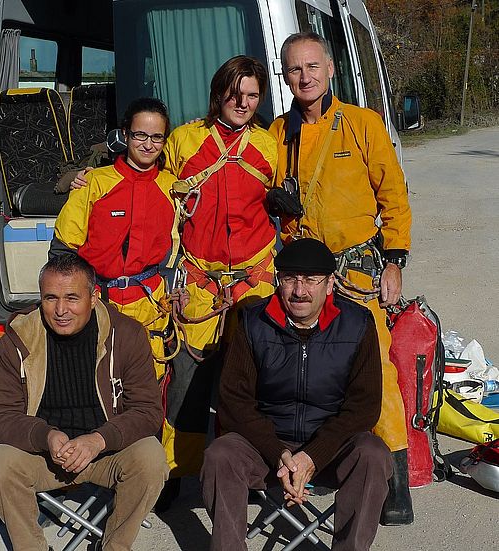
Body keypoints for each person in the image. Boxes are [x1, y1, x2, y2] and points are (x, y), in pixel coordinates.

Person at [266, 32, 413, 524]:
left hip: (355, 271)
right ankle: (303, 464)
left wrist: (394, 260)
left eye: (312, 66)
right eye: (294, 69)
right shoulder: (276, 134)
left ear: (330, 69)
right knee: (300, 367)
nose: (304, 77)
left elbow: (394, 196)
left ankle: (394, 480)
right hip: (302, 276)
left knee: (377, 371)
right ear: (284, 76)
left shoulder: (362, 124)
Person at [201, 238, 393, 551]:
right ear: (279, 281)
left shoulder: (357, 324)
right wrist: (277, 451)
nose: (299, 291)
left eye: (310, 280)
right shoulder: (253, 321)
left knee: (373, 454)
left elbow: (364, 406)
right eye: (290, 279)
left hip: (331, 447)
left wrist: (312, 455)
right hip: (265, 444)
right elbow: (234, 400)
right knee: (220, 455)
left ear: (330, 284)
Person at [0, 255, 168, 551]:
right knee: (0, 465)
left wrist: (98, 440)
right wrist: (45, 436)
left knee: (151, 458)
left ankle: (114, 546)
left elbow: (148, 411)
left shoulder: (126, 334)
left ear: (93, 298)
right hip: (44, 455)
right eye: (50, 298)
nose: (60, 310)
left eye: (72, 298)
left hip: (106, 451)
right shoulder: (19, 338)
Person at [159, 55, 278, 498]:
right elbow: (148, 180)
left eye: (252, 95)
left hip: (255, 280)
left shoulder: (269, 146)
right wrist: (92, 174)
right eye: (235, 93)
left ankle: (248, 469)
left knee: (254, 382)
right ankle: (177, 470)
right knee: (186, 381)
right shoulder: (184, 140)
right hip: (200, 281)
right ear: (219, 93)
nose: (242, 103)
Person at [50, 97, 180, 381]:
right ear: (125, 134)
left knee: (148, 386)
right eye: (140, 135)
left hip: (150, 306)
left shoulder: (172, 188)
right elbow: (63, 251)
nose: (148, 145)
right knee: (97, 383)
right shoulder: (94, 182)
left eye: (157, 137)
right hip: (99, 303)